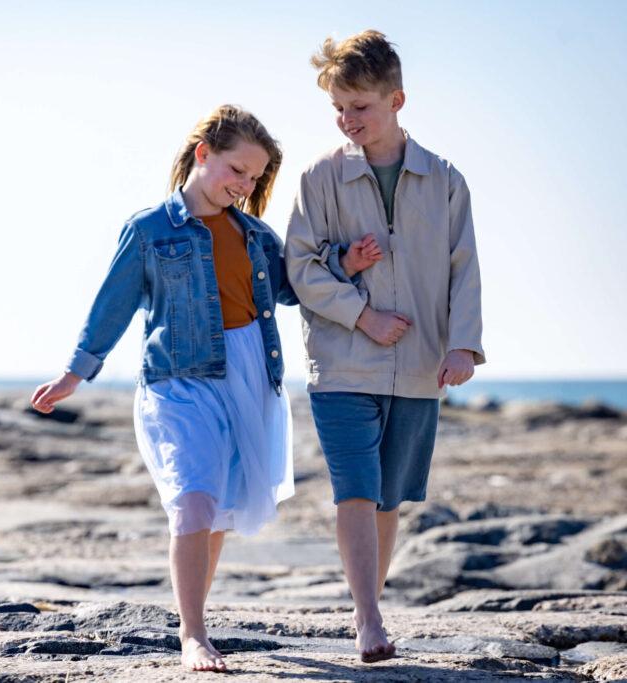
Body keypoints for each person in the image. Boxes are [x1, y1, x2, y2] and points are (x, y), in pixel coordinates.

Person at [32, 105, 380, 672]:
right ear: (203, 154)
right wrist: (75, 373)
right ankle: (191, 635)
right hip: (179, 380)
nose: (243, 186)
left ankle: (198, 622)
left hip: (249, 376)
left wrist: (344, 262)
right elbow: (112, 307)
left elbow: (294, 289)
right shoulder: (149, 230)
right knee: (193, 498)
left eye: (254, 178)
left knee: (215, 510)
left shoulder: (253, 234)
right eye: (236, 170)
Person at [285, 31, 486, 663]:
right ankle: (368, 618)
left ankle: (367, 607)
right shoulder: (320, 175)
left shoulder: (445, 179)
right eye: (338, 109)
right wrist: (362, 315)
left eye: (360, 107)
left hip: (423, 366)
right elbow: (300, 267)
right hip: (343, 362)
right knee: (356, 488)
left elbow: (465, 269)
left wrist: (463, 347)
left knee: (390, 497)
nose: (348, 121)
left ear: (396, 98)